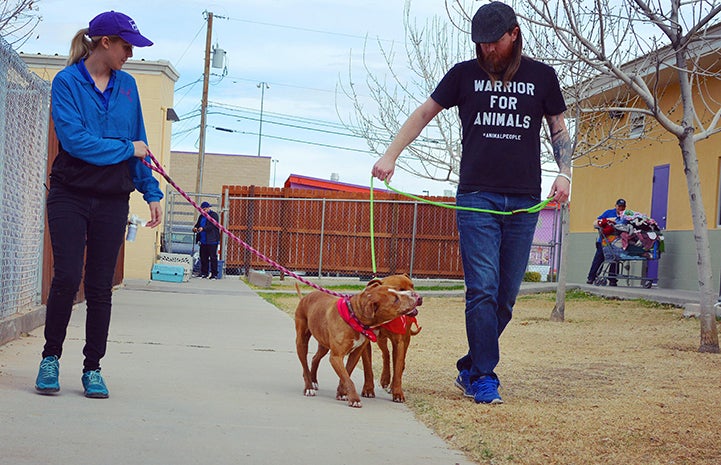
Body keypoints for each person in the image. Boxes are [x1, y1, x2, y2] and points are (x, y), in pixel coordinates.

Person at [371, 2, 571, 404]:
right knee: (481, 290)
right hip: (476, 197)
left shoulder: (542, 77)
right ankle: (484, 376)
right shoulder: (463, 74)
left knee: (505, 299)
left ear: (513, 34)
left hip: (524, 200)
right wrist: (390, 154)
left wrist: (566, 173)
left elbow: (559, 128)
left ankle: (469, 366)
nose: (486, 51)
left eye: (493, 43)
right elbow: (425, 112)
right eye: (479, 44)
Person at [35, 11, 162, 399]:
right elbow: (77, 142)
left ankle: (93, 368)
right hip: (70, 193)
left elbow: (138, 142)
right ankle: (50, 359)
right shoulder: (67, 82)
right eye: (126, 46)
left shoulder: (128, 87)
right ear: (104, 42)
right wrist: (127, 149)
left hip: (112, 198)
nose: (130, 54)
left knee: (100, 285)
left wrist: (151, 191)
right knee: (68, 275)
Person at [586, 198, 627, 286]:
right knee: (599, 258)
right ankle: (591, 277)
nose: (621, 208)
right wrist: (611, 221)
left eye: (623, 207)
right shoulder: (609, 213)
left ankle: (612, 280)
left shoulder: (626, 216)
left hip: (617, 242)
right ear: (615, 206)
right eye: (619, 206)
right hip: (604, 241)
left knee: (615, 259)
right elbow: (598, 222)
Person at [193, 201, 220, 279]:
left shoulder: (214, 215)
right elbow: (198, 224)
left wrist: (203, 228)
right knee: (203, 257)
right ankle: (204, 273)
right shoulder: (201, 216)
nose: (203, 211)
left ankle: (214, 274)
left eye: (205, 209)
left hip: (212, 240)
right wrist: (195, 228)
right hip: (203, 240)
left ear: (208, 208)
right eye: (202, 209)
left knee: (212, 257)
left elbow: (212, 225)